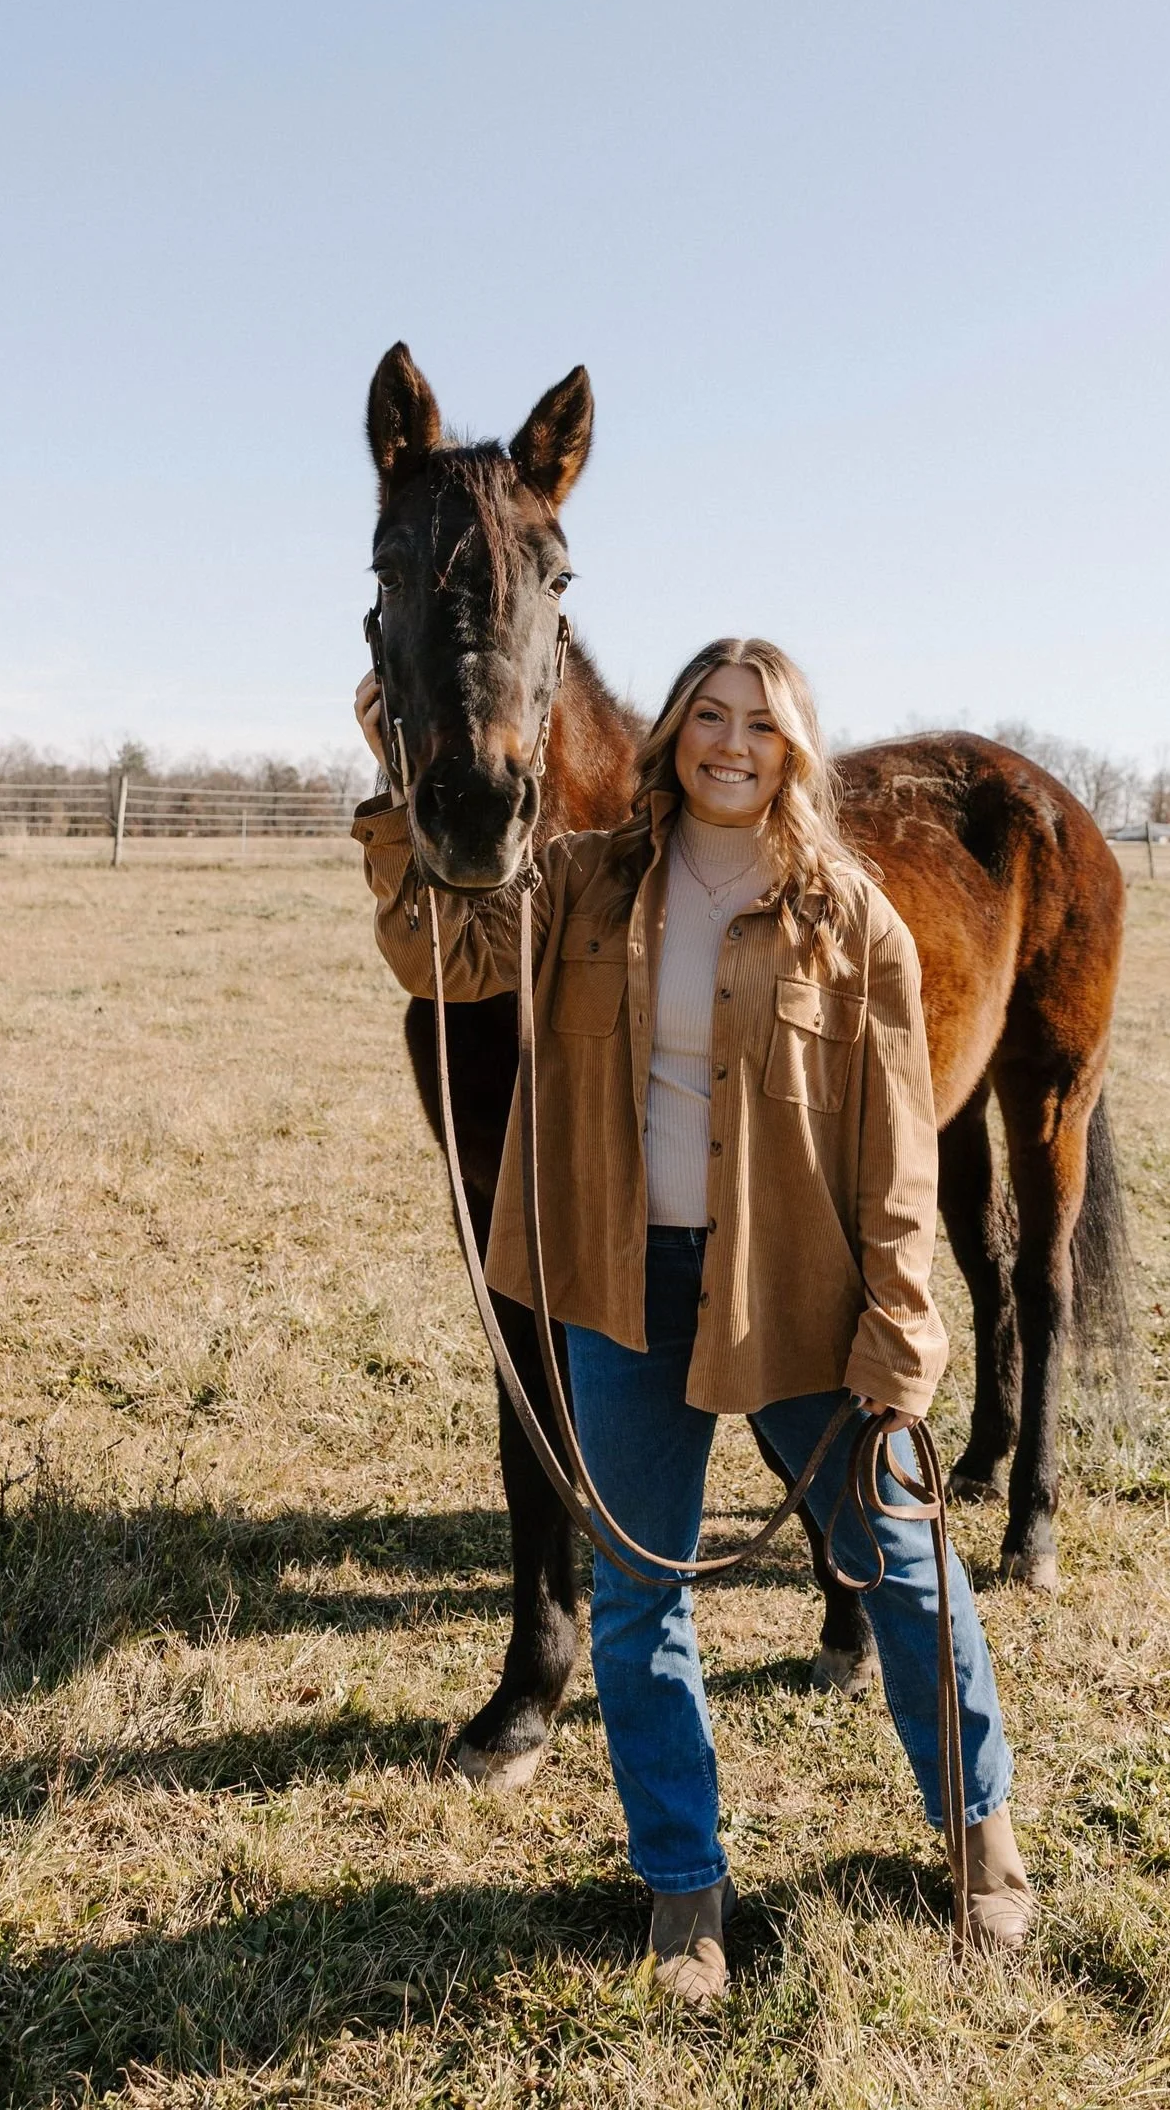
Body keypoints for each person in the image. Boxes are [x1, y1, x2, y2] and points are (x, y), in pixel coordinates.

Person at [352, 637, 1031, 2004]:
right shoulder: (587, 880)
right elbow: (438, 946)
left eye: (759, 724)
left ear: (795, 749)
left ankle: (982, 1839)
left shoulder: (854, 919)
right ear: (672, 737)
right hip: (622, 1284)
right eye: (708, 717)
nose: (732, 742)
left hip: (800, 1288)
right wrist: (397, 772)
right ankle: (685, 1888)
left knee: (901, 1563)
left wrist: (903, 1323)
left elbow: (902, 1153)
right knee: (636, 1595)